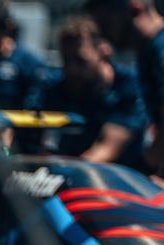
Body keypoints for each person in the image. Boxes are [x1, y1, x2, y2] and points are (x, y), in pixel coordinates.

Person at [29, 17, 147, 166]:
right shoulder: (54, 87)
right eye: (66, 60)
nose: (71, 69)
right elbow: (28, 134)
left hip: (119, 180)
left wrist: (64, 173)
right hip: (65, 174)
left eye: (80, 61)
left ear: (104, 52)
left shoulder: (128, 87)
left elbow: (106, 150)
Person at [86, 0, 164, 175]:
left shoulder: (160, 49)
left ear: (134, 6)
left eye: (106, 23)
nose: (103, 34)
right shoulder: (149, 51)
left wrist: (144, 168)